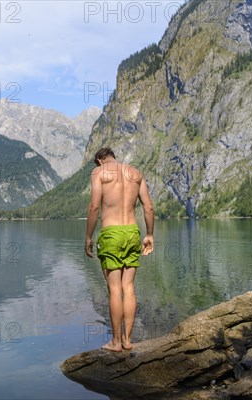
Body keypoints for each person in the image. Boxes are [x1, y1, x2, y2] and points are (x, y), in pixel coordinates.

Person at [85, 147, 154, 352]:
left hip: (111, 234)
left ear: (99, 160)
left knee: (114, 289)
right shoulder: (135, 173)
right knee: (129, 288)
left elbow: (94, 207)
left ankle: (115, 342)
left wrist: (88, 237)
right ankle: (127, 340)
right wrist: (149, 235)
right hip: (133, 233)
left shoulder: (99, 173)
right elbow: (148, 208)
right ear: (113, 156)